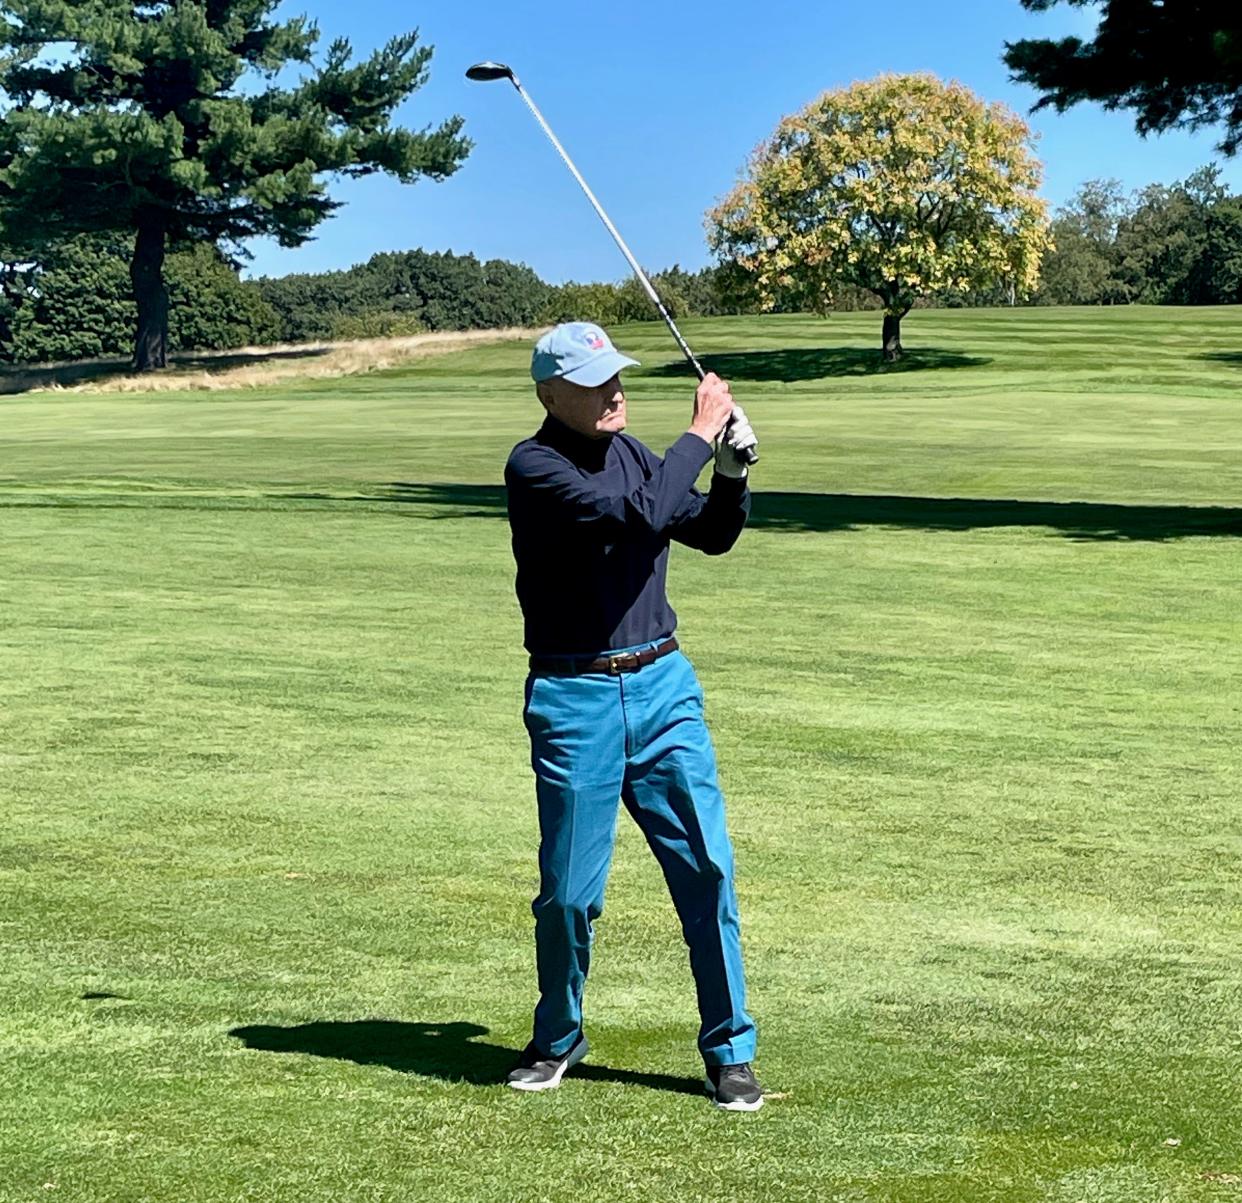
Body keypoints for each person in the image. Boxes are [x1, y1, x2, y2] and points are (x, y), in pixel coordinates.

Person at [502, 321, 763, 1111]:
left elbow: (708, 533)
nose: (613, 391)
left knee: (707, 869)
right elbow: (642, 517)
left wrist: (728, 472)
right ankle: (558, 1035)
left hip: (662, 688)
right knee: (569, 894)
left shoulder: (635, 452)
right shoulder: (535, 465)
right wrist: (698, 428)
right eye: (592, 383)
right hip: (576, 696)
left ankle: (731, 1047)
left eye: (616, 376)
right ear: (552, 395)